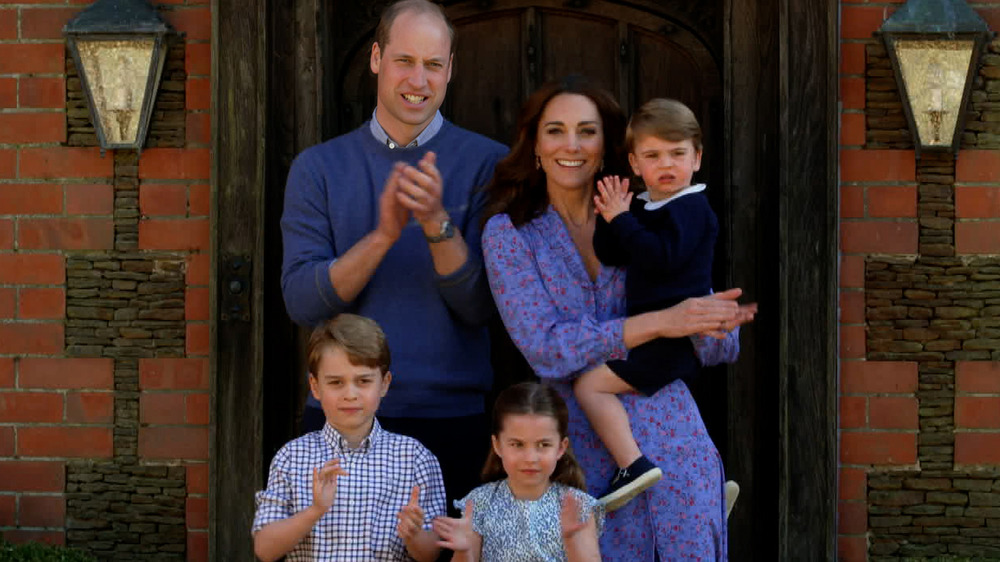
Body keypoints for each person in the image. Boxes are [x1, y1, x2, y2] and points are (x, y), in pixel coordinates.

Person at [481, 76, 756, 561]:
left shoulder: (648, 214)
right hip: (581, 453)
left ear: (606, 146)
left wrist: (714, 322)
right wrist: (661, 323)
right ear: (536, 146)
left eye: (586, 131)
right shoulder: (511, 234)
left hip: (675, 439)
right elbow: (546, 348)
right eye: (556, 131)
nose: (572, 145)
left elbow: (715, 344)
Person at [279, 0, 507, 512]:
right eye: (405, 61)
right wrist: (383, 234)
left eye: (433, 64)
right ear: (376, 58)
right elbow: (302, 303)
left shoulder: (490, 164)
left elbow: (480, 308)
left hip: (452, 420)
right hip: (341, 421)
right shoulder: (317, 168)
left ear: (451, 69)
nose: (419, 80)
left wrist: (436, 225)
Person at [573, 98, 718, 511]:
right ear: (635, 164)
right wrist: (610, 215)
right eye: (653, 156)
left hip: (671, 341)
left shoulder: (692, 209)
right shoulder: (647, 206)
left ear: (697, 158)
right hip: (652, 335)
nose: (666, 165)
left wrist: (623, 219)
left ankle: (632, 465)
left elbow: (660, 257)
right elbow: (613, 253)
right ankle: (698, 489)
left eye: (677, 154)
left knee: (589, 385)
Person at [252, 314, 445, 562]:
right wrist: (315, 511)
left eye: (363, 381)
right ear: (315, 386)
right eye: (336, 382)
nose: (350, 394)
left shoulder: (414, 458)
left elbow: (431, 555)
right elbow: (264, 549)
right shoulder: (292, 457)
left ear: (384, 384)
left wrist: (414, 534)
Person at [433, 382, 603, 562]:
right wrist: (463, 551)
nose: (530, 458)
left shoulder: (578, 506)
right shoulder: (479, 503)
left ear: (561, 448)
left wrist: (572, 540)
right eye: (517, 444)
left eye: (543, 445)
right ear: (497, 445)